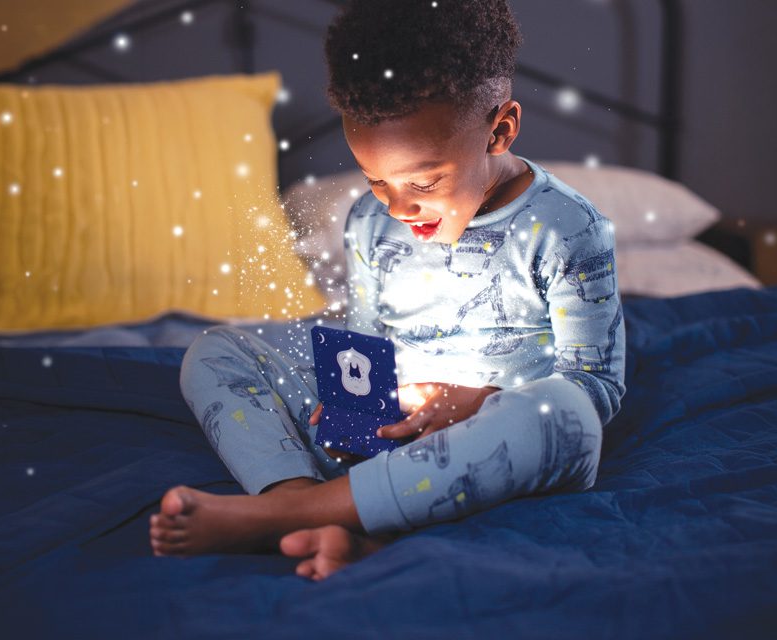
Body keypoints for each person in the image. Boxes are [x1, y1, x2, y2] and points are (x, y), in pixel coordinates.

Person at [149, 0, 626, 581]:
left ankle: (279, 515)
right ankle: (308, 510)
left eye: (424, 181)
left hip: (495, 446)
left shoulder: (565, 227)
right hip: (390, 442)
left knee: (567, 413)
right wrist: (353, 408)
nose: (400, 207)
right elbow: (369, 345)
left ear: (499, 130)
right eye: (376, 180)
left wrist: (478, 401)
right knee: (216, 351)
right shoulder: (368, 225)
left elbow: (596, 386)